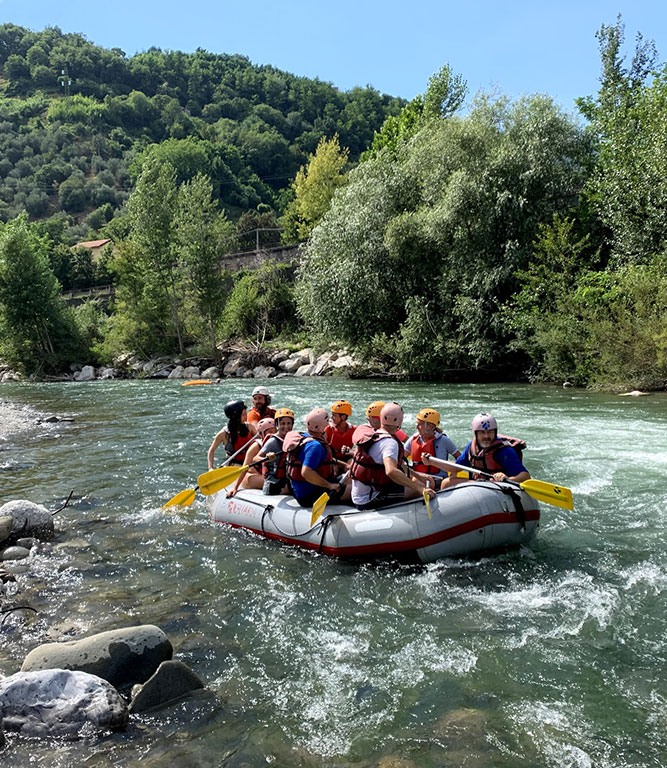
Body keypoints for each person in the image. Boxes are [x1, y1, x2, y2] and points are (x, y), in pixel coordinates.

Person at [350, 402, 436, 510]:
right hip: (371, 499)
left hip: (360, 495)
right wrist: (419, 489)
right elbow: (391, 471)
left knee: (420, 481)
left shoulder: (375, 435)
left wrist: (418, 475)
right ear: (398, 421)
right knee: (421, 487)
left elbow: (399, 465)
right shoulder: (390, 443)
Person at [429, 412, 530, 488]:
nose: (486, 436)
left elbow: (525, 476)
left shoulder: (504, 451)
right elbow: (456, 467)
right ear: (475, 434)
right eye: (482, 432)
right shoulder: (472, 447)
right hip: (478, 486)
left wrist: (507, 479)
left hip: (497, 488)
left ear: (495, 432)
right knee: (446, 483)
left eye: (490, 432)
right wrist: (432, 461)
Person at [286, 407, 351, 506]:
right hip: (311, 495)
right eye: (326, 423)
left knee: (349, 478)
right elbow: (306, 472)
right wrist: (330, 486)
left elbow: (321, 460)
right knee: (355, 489)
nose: (328, 425)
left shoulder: (305, 437)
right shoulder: (314, 446)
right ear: (319, 427)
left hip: (305, 490)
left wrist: (344, 465)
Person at [226, 417, 277, 497]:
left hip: (265, 475)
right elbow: (245, 467)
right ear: (261, 434)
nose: (273, 435)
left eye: (275, 431)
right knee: (277, 483)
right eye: (270, 432)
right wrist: (235, 488)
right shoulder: (256, 446)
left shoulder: (278, 443)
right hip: (251, 477)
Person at [405, 408, 461, 478]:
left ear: (429, 426)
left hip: (439, 479)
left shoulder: (444, 440)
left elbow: (460, 459)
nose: (416, 427)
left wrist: (454, 472)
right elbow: (401, 457)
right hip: (418, 477)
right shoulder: (413, 439)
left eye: (419, 424)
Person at [207, 400, 257, 469]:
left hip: (250, 461)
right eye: (243, 415)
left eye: (246, 414)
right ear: (235, 417)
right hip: (234, 464)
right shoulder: (224, 434)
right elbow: (211, 451)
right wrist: (211, 468)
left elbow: (261, 440)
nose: (246, 417)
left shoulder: (249, 427)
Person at [258, 407, 295, 496]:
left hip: (285, 480)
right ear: (277, 425)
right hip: (273, 483)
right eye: (282, 423)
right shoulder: (273, 442)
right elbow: (256, 458)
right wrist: (267, 458)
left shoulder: (293, 439)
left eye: (289, 423)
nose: (286, 427)